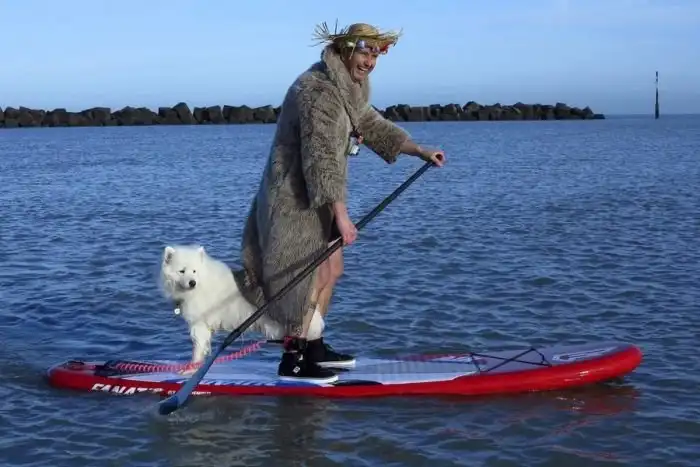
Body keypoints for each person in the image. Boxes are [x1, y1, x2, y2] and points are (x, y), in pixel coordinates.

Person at [234, 21, 446, 383]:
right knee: (305, 280)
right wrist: (342, 215)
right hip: (294, 199)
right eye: (365, 52)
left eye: (377, 54)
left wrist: (418, 150)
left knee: (332, 270)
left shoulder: (349, 88)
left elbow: (371, 124)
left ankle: (314, 346)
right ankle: (294, 360)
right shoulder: (316, 90)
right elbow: (320, 158)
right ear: (346, 50)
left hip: (322, 197)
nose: (370, 62)